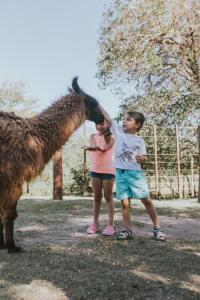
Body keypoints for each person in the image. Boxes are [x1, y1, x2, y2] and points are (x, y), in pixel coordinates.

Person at [98, 107, 166, 241]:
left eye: (128, 120)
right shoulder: (118, 132)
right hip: (120, 174)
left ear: (137, 125)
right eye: (123, 119)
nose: (124, 122)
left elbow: (143, 155)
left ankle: (157, 228)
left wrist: (143, 158)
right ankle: (128, 230)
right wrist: (98, 106)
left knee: (146, 200)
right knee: (124, 203)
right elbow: (109, 119)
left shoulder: (140, 141)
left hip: (135, 174)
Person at [83, 119, 115, 236]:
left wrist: (92, 148)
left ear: (107, 124)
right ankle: (95, 224)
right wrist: (91, 147)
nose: (99, 126)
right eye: (97, 124)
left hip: (108, 171)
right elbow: (93, 145)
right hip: (95, 170)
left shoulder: (112, 137)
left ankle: (111, 225)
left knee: (108, 197)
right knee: (96, 197)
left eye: (102, 124)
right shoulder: (93, 136)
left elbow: (104, 148)